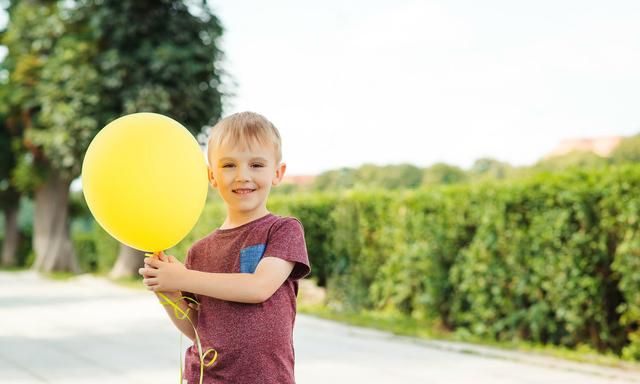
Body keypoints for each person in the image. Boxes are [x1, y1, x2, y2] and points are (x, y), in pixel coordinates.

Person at [138, 111, 311, 384]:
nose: (242, 176)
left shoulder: (283, 230)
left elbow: (258, 287)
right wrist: (168, 291)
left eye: (256, 165)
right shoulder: (199, 251)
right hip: (206, 377)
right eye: (229, 165)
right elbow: (197, 327)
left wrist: (183, 277)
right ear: (212, 176)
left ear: (277, 173)